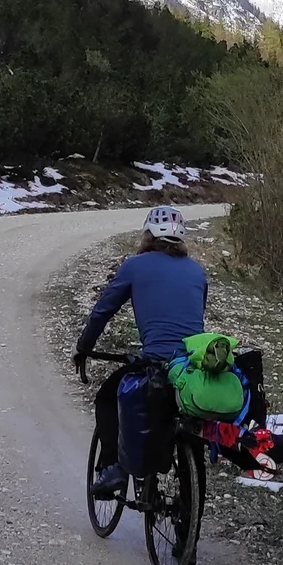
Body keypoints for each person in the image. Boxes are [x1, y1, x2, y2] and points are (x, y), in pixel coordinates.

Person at [74, 205, 206, 495]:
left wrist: (84, 347)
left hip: (156, 360)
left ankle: (115, 469)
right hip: (192, 364)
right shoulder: (197, 271)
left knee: (108, 399)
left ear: (147, 235)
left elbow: (102, 311)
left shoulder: (135, 265)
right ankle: (188, 523)